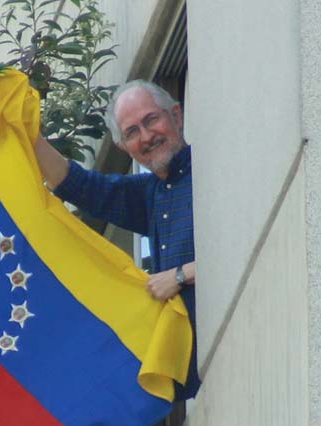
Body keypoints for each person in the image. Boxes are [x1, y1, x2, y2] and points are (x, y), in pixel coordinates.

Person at [34, 80, 200, 399]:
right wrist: (25, 132)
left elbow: (253, 245)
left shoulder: (214, 170)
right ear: (125, 148)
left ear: (177, 116)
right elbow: (79, 186)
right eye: (132, 132)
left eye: (151, 120)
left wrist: (181, 275)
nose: (147, 136)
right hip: (195, 388)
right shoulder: (152, 193)